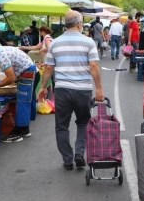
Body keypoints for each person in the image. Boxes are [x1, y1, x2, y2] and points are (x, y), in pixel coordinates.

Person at [38, 10, 104, 171]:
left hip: (62, 90)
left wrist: (43, 87)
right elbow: (94, 67)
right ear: (79, 24)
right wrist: (99, 89)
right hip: (83, 90)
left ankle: (68, 160)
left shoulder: (55, 43)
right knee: (83, 122)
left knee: (61, 126)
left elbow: (48, 68)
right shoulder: (88, 42)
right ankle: (79, 153)